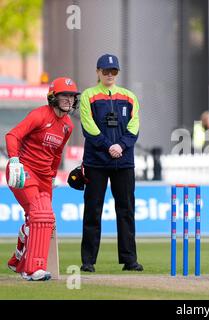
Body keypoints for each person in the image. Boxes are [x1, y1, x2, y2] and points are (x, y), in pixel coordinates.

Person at [5, 77, 79, 281]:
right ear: (53, 97)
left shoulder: (68, 126)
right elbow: (12, 136)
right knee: (40, 215)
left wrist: (53, 177)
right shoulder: (39, 115)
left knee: (44, 220)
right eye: (64, 95)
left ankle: (17, 259)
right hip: (23, 170)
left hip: (45, 176)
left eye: (72, 96)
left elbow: (56, 155)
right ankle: (33, 270)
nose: (69, 100)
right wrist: (14, 160)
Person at [79, 53, 143, 272]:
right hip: (96, 161)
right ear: (97, 72)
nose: (109, 75)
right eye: (105, 71)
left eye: (113, 71)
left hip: (123, 162)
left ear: (118, 73)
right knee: (93, 210)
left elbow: (134, 126)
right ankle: (88, 261)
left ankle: (129, 260)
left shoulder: (129, 96)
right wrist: (109, 146)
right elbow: (88, 127)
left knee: (126, 210)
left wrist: (121, 146)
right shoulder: (88, 96)